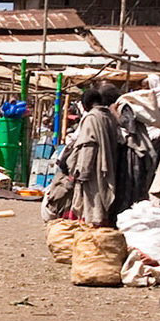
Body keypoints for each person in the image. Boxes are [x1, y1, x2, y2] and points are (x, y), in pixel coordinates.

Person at [56, 87, 119, 228]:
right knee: (102, 201)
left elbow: (88, 146)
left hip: (94, 168)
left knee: (93, 204)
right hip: (109, 165)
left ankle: (93, 230)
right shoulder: (109, 116)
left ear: (85, 105)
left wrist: (82, 170)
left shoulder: (91, 118)